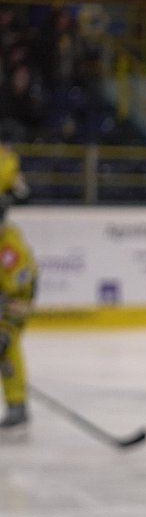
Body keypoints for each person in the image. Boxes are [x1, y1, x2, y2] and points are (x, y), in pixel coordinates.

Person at [0, 145, 35, 434]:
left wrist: (5, 329)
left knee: (6, 344)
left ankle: (17, 405)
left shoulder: (11, 247)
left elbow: (18, 293)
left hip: (14, 297)